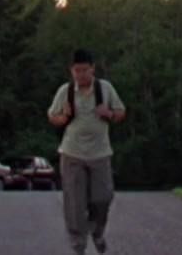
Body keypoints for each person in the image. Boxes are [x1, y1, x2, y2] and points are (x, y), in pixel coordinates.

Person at [48, 49, 126, 254]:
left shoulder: (105, 88)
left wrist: (108, 113)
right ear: (72, 71)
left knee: (103, 197)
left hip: (100, 153)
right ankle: (78, 245)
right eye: (77, 70)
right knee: (75, 203)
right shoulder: (65, 91)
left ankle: (97, 231)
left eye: (85, 70)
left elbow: (121, 112)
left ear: (93, 69)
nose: (81, 74)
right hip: (72, 153)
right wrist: (63, 117)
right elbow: (52, 116)